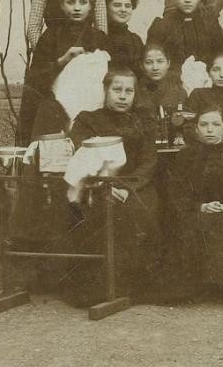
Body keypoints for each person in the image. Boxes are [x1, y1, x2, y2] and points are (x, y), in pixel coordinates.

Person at [67, 67, 161, 302]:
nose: (123, 96)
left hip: (136, 185)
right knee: (98, 216)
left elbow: (149, 161)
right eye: (117, 90)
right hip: (98, 186)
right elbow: (84, 160)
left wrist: (127, 188)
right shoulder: (88, 120)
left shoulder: (144, 120)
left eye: (129, 91)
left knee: (140, 212)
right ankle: (100, 289)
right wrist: (106, 186)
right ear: (105, 90)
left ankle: (133, 288)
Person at [164, 107, 223, 302]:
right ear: (196, 129)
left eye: (216, 125)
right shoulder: (185, 156)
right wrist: (201, 206)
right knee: (195, 227)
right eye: (204, 125)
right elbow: (177, 194)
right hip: (196, 210)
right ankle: (201, 286)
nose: (210, 129)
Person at [19, 0, 109, 143]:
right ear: (61, 5)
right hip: (56, 111)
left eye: (83, 2)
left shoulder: (99, 37)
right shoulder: (50, 36)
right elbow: (35, 80)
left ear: (91, 6)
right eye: (71, 2)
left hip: (93, 108)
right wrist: (63, 60)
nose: (77, 8)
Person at [147, 0, 223, 65]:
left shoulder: (210, 24)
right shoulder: (161, 26)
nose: (187, 0)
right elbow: (154, 63)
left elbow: (220, 59)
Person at [183, 53, 223, 137]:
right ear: (209, 73)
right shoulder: (198, 94)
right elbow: (188, 126)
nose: (222, 75)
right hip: (203, 142)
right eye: (216, 70)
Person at [133, 43, 187, 139]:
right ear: (141, 65)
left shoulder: (179, 92)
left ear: (168, 63)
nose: (155, 67)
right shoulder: (133, 91)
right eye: (149, 62)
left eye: (160, 61)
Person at [104, 0, 144, 73]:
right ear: (106, 7)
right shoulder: (99, 36)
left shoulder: (135, 40)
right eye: (117, 5)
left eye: (128, 6)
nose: (123, 10)